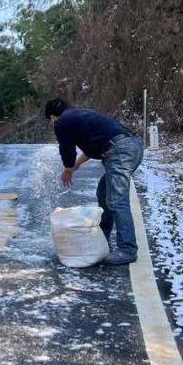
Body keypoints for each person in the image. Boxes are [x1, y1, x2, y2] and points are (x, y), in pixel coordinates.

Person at [44, 98, 144, 266]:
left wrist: (68, 170)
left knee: (117, 199)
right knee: (104, 192)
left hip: (120, 151)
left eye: (51, 121)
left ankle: (127, 249)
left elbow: (66, 150)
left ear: (53, 117)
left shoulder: (62, 122)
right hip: (132, 147)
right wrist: (77, 164)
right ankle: (103, 237)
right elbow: (94, 146)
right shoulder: (80, 115)